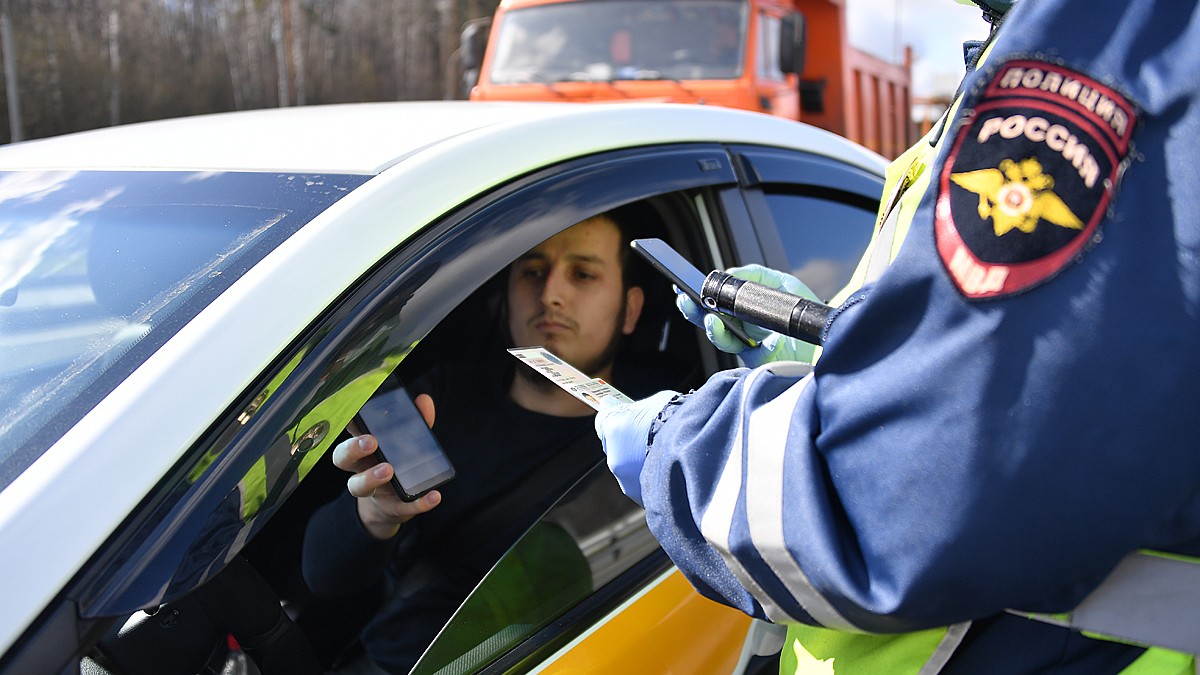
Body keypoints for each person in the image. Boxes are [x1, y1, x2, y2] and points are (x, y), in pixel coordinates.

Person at [596, 1, 1200, 673]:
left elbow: (918, 490)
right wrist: (836, 346)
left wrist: (677, 449)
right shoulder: (980, 105)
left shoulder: (1111, 48)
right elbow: (1044, 366)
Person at [302, 212, 647, 674]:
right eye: (531, 271)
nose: (550, 295)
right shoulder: (442, 396)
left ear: (630, 310)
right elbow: (323, 575)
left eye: (583, 274)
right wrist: (375, 516)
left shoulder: (647, 445)